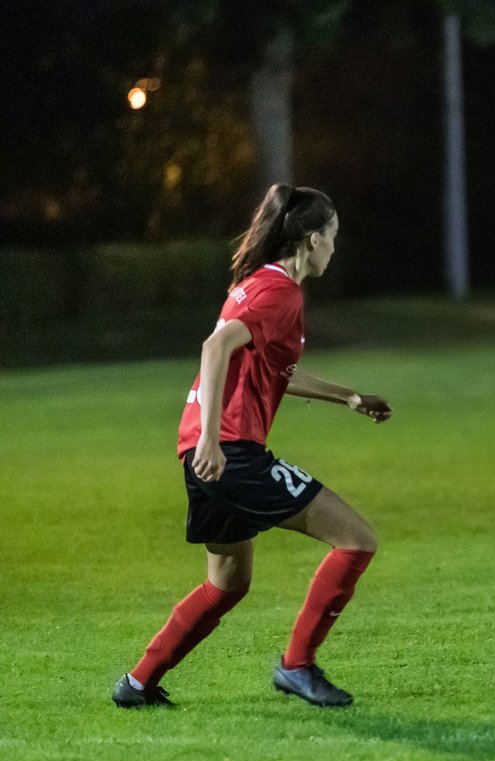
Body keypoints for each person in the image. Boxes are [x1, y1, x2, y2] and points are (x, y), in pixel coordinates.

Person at [112, 184, 392, 708]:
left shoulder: (257, 284)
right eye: (332, 237)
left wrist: (348, 396)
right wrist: (216, 441)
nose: (335, 247)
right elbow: (215, 347)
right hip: (229, 453)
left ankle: (138, 683)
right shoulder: (278, 292)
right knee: (356, 540)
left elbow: (274, 369)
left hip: (203, 451)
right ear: (311, 241)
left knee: (227, 584)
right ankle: (297, 666)